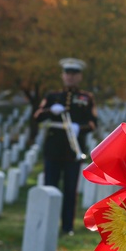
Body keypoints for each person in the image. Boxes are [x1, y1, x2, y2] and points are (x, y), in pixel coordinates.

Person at [33, 57, 98, 235]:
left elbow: (93, 123)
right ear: (62, 76)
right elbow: (37, 115)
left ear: (79, 77)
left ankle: (67, 226)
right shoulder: (52, 96)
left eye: (74, 74)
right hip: (53, 149)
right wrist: (49, 111)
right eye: (67, 74)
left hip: (73, 150)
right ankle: (46, 223)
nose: (70, 77)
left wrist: (80, 127)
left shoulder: (86, 98)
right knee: (50, 186)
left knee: (70, 190)